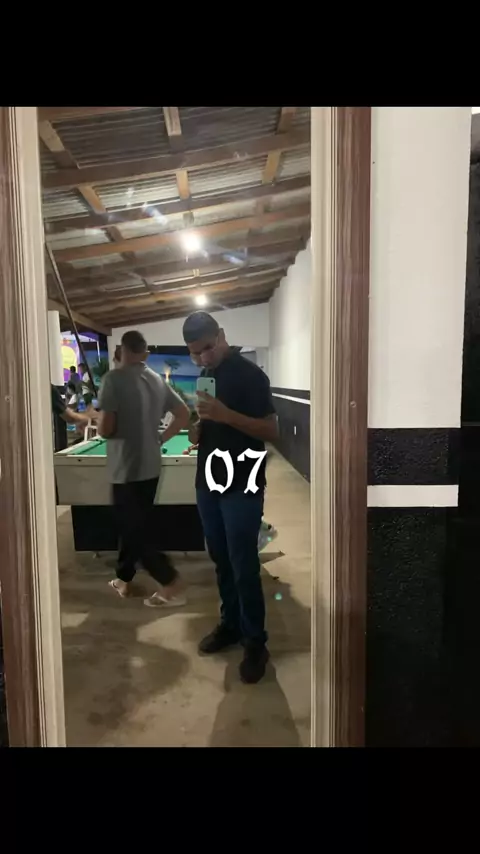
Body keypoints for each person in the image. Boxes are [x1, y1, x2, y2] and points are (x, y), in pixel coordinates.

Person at [182, 311, 278, 684]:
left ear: (221, 336)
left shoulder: (251, 376)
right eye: (194, 353)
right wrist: (198, 427)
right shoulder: (207, 376)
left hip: (243, 483)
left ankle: (256, 643)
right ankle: (231, 624)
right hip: (208, 482)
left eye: (207, 348)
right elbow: (205, 429)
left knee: (243, 565)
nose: (201, 358)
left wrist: (226, 414)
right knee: (221, 560)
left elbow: (271, 430)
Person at [98, 330, 190, 606]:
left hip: (126, 468)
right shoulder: (157, 380)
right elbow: (183, 414)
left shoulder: (113, 378)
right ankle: (123, 579)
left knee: (134, 530)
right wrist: (160, 438)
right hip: (151, 466)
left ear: (121, 350)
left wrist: (99, 417)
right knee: (134, 525)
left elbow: (106, 429)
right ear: (145, 354)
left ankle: (170, 583)